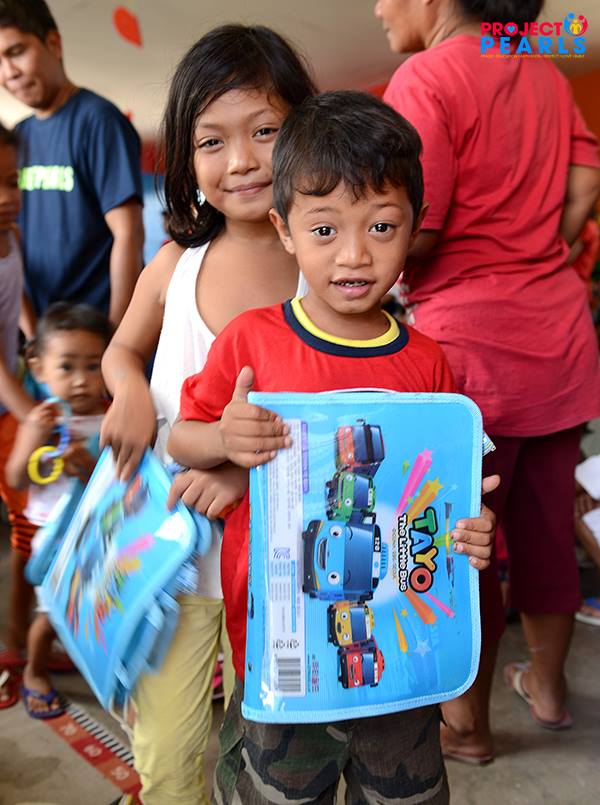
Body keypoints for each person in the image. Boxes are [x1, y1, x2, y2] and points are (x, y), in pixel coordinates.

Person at [168, 90, 498, 805]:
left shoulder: (429, 364)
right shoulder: (252, 341)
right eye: (324, 229)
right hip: (281, 654)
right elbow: (182, 438)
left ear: (415, 226)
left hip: (401, 662)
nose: (354, 254)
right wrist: (224, 437)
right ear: (284, 228)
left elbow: (445, 504)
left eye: (381, 226)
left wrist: (473, 532)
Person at [374, 0, 600, 762]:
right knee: (544, 531)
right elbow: (581, 188)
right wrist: (533, 251)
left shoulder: (425, 78)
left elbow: (421, 223)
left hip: (468, 352)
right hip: (559, 339)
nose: (379, 7)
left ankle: (467, 725)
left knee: (459, 538)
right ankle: (549, 688)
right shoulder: (547, 74)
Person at [100, 25, 317, 805]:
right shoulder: (174, 265)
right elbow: (121, 352)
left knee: (270, 744)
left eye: (265, 131)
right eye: (212, 141)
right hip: (169, 554)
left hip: (279, 565)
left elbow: (336, 424)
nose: (242, 160)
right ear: (187, 162)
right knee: (169, 746)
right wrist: (128, 389)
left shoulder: (324, 273)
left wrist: (238, 474)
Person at [0, 0, 144, 325]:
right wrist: (31, 333)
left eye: (16, 52)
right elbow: (10, 238)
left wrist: (115, 337)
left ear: (53, 43)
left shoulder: (99, 121)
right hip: (44, 335)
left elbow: (129, 234)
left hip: (93, 329)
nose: (9, 74)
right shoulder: (19, 136)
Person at [5, 302, 111, 716]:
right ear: (39, 369)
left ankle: (93, 665)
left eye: (93, 365)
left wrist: (91, 467)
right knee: (50, 613)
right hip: (55, 540)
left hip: (100, 532)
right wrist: (35, 439)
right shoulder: (42, 420)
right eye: (67, 367)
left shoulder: (112, 416)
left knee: (95, 608)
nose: (81, 380)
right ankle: (35, 671)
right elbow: (16, 477)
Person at [0, 122, 37, 709]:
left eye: (13, 180)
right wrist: (33, 411)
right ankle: (11, 649)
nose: (7, 195)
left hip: (10, 400)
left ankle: (20, 640)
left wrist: (37, 341)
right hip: (9, 402)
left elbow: (19, 299)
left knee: (27, 524)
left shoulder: (10, 236)